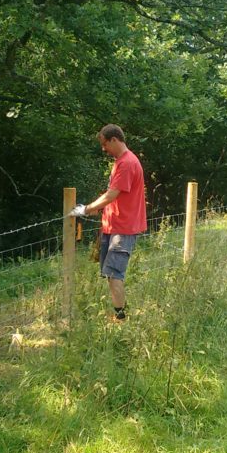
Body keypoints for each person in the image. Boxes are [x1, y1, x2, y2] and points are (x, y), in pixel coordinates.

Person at [79, 124, 147, 321]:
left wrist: (87, 209)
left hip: (123, 228)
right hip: (114, 225)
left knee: (115, 274)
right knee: (110, 274)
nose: (103, 149)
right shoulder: (121, 162)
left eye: (104, 144)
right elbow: (114, 196)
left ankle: (121, 319)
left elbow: (111, 195)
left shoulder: (127, 163)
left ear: (114, 140)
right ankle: (119, 314)